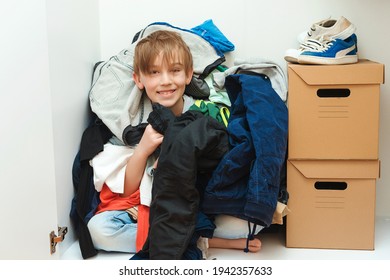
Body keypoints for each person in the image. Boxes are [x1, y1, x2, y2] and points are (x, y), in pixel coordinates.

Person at [87, 30, 261, 256]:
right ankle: (207, 241)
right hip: (147, 206)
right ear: (139, 79)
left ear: (188, 75)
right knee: (98, 231)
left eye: (175, 71)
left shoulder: (200, 113)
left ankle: (190, 234)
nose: (166, 81)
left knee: (249, 223)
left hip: (192, 204)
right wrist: (144, 149)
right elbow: (128, 189)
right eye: (154, 73)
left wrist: (177, 163)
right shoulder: (132, 121)